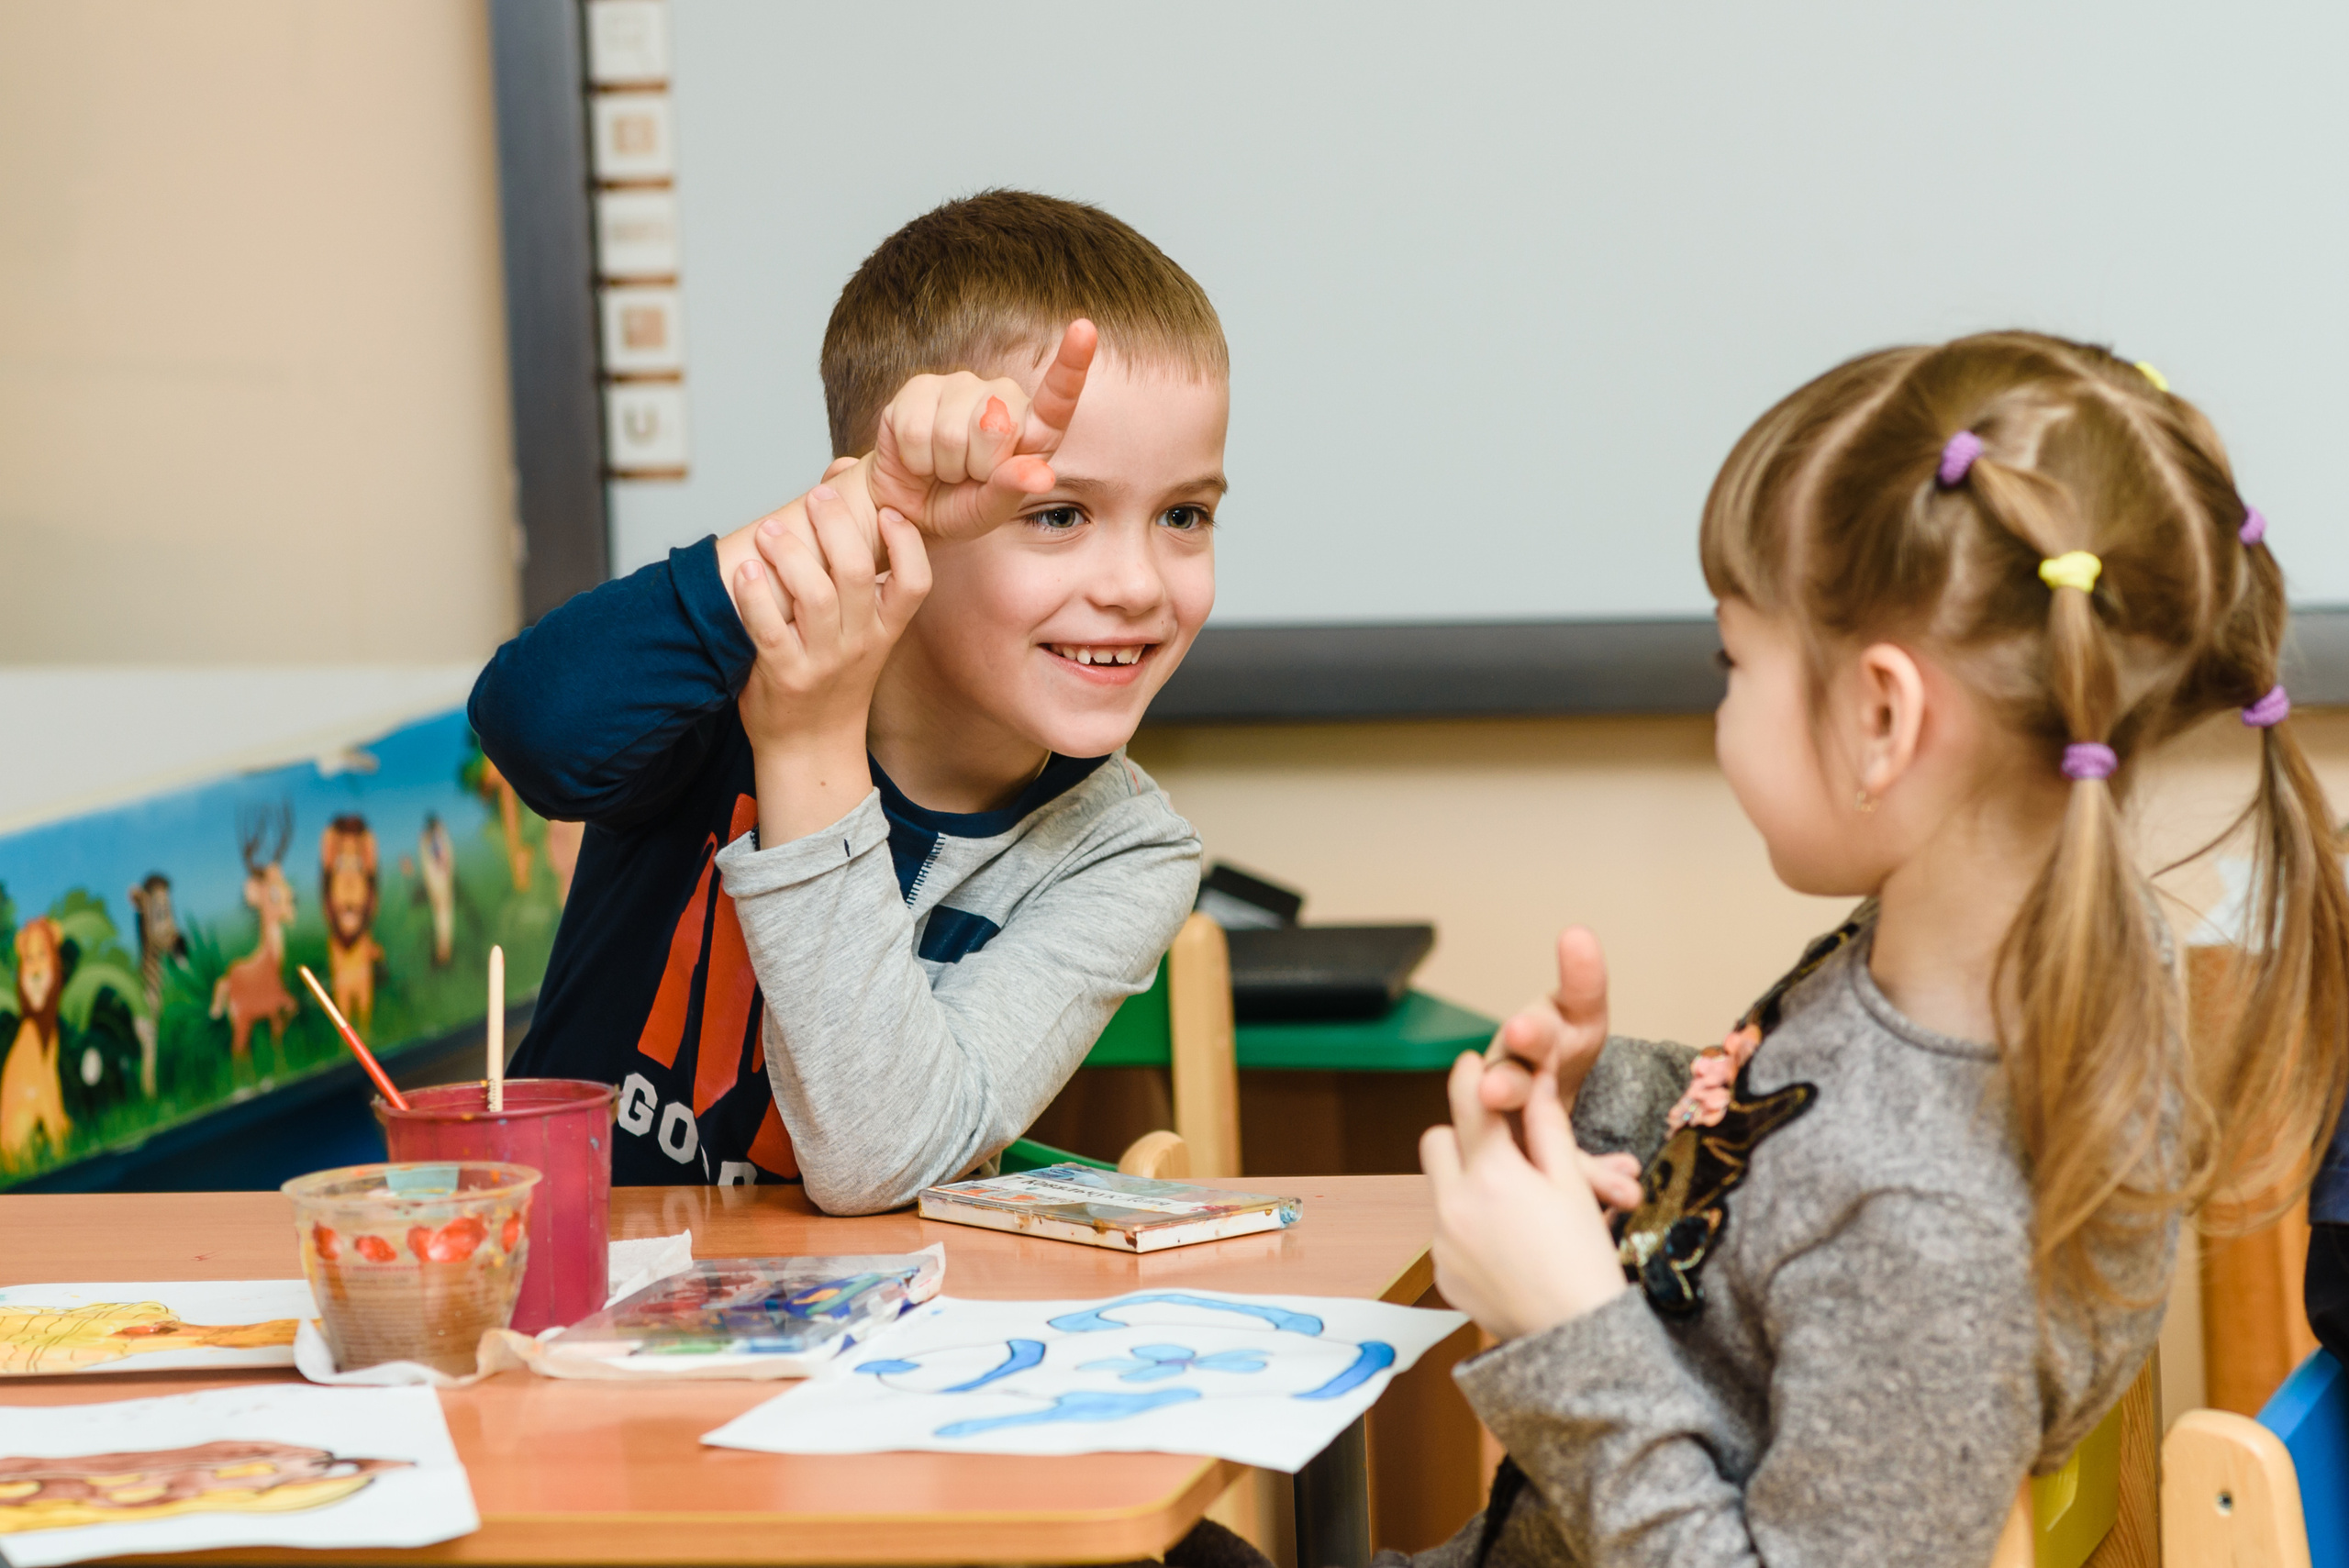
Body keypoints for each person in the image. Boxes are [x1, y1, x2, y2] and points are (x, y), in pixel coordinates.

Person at [1408, 333, 2349, 1566]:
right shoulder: (1973, 977)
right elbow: (1788, 1170)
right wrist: (1608, 1107)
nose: (1721, 710)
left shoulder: (1934, 1223)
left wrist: (1562, 1328)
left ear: (1884, 717)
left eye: (1732, 661)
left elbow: (1859, 1225)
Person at [472, 192, 1223, 1210]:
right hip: (567, 1313)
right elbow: (533, 725)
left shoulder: (1124, 853)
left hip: (854, 1351)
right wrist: (849, 515)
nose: (1138, 583)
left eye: (1184, 514)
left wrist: (809, 739)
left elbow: (879, 1160)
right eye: (1057, 514)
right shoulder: (721, 684)